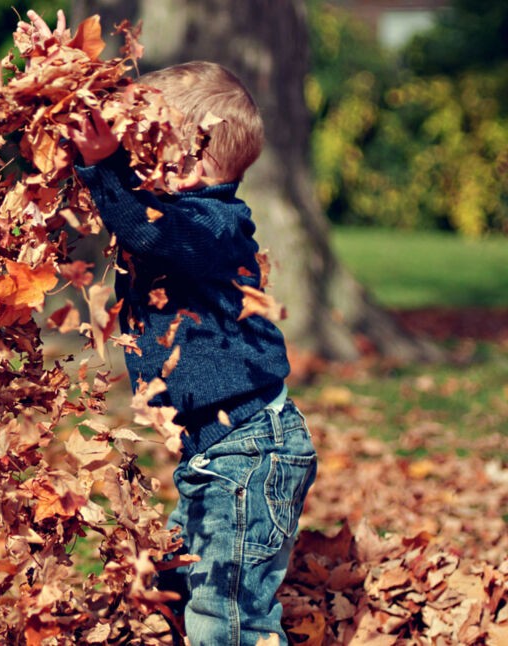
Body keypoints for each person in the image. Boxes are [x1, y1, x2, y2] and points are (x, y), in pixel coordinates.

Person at [67, 56, 320, 645]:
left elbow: (149, 230)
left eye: (147, 146)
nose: (134, 160)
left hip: (249, 455)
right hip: (217, 455)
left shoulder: (211, 225)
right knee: (178, 582)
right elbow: (138, 221)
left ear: (192, 162)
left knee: (227, 618)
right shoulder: (185, 221)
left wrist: (103, 167)